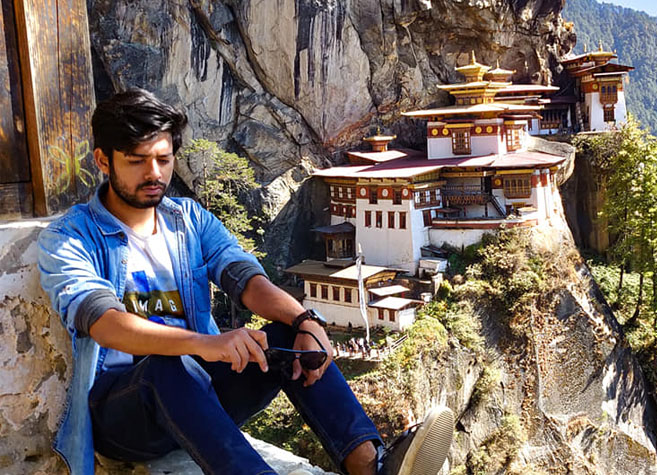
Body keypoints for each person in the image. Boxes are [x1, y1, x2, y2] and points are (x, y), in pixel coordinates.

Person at [38, 88, 454, 475]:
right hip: (126, 413)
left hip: (202, 395)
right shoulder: (70, 236)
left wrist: (307, 322)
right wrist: (206, 344)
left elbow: (246, 279)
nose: (153, 173)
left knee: (286, 338)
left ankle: (370, 464)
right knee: (166, 370)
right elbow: (105, 323)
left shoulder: (188, 220)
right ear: (103, 160)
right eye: (136, 159)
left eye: (163, 160)